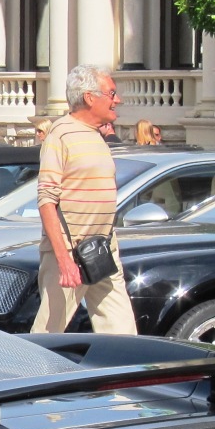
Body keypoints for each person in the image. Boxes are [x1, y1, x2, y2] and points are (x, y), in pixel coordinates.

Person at [31, 64, 137, 336]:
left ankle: (121, 379)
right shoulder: (60, 134)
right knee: (48, 334)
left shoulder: (97, 135)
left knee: (122, 333)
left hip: (103, 248)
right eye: (111, 93)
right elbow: (46, 199)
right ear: (90, 97)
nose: (118, 100)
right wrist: (64, 259)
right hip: (71, 252)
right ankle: (30, 377)